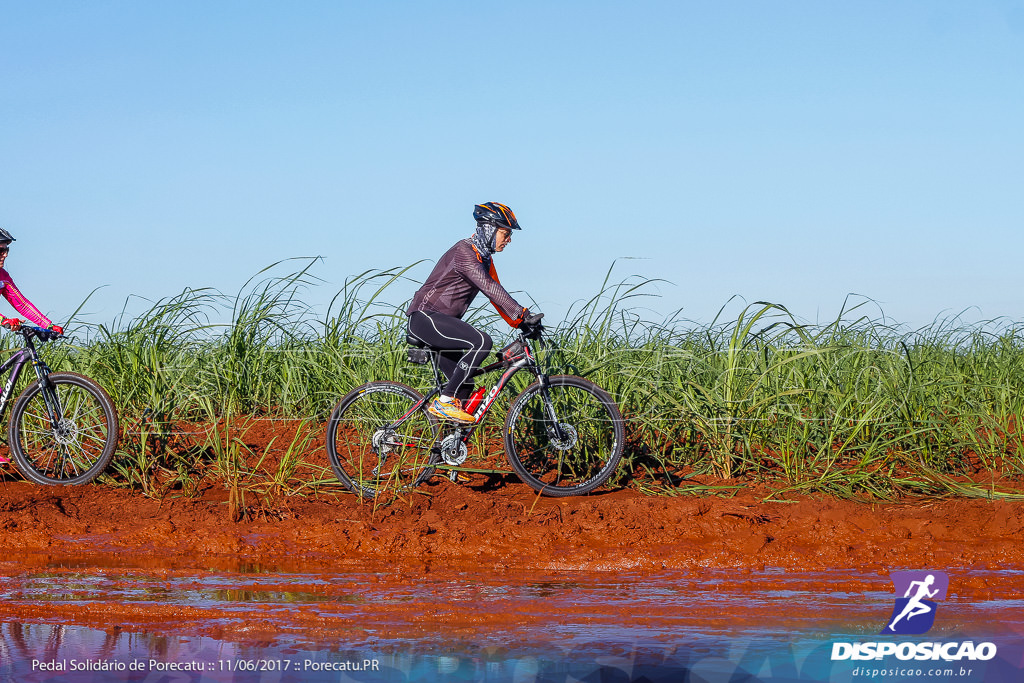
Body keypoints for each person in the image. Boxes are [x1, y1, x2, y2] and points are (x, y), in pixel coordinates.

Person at [407, 202, 543, 424]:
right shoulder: (465, 252)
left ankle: (445, 447)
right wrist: (523, 313)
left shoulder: (483, 258)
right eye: (505, 233)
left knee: (465, 384)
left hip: (441, 324)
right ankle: (444, 402)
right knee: (481, 341)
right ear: (489, 228)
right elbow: (488, 287)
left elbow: (495, 294)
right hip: (425, 318)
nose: (509, 240)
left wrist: (522, 323)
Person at [0, 229, 63, 336]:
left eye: (7, 251)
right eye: (1, 251)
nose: (5, 255)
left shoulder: (3, 276)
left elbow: (22, 305)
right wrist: (3, 320)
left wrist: (48, 326)